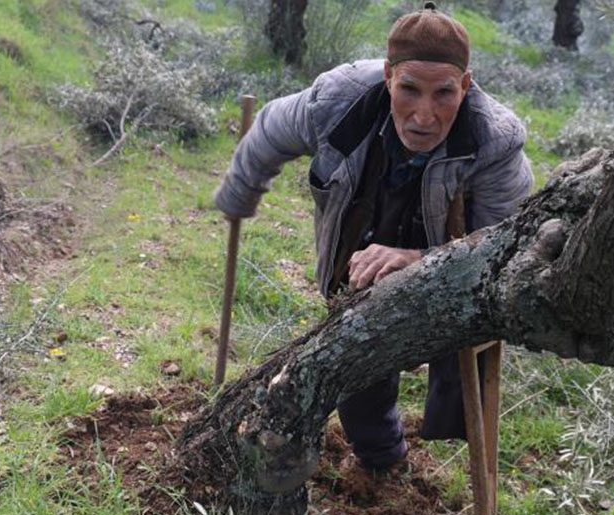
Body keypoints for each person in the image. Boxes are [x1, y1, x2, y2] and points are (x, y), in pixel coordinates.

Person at [213, 2, 533, 471]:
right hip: (360, 240)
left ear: (465, 85)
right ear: (388, 77)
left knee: (463, 367)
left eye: (443, 93)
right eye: (409, 90)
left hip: (446, 266)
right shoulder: (337, 103)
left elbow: (503, 249)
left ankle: (439, 441)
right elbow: (268, 131)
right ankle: (382, 461)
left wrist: (420, 260)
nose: (424, 114)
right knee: (356, 358)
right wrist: (239, 194)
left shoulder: (494, 142)